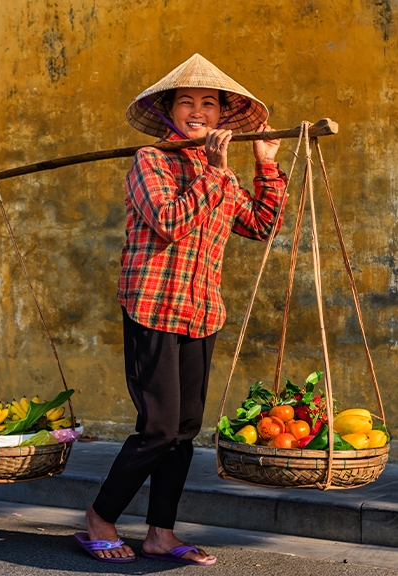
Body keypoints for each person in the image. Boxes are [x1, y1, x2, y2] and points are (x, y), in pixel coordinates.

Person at [74, 53, 288, 565]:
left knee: (186, 430)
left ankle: (160, 534)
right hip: (152, 305)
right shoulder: (151, 160)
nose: (198, 111)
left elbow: (260, 225)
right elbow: (169, 221)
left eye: (208, 104)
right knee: (159, 427)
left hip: (201, 310)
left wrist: (264, 164)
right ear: (170, 111)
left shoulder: (225, 177)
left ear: (221, 116)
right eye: (186, 102)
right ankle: (100, 517)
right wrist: (215, 172)